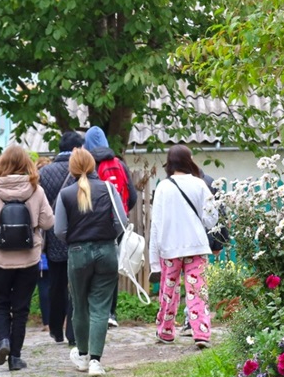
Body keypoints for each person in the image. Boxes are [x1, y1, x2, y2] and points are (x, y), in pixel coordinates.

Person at [0, 144, 55, 371]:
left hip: (0, 258)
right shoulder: (36, 190)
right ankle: (15, 357)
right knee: (21, 308)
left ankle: (3, 340)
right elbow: (49, 222)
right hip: (29, 257)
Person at [54, 148, 127, 377]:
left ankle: (83, 355)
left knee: (79, 304)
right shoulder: (108, 188)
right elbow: (121, 221)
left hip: (77, 253)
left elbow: (59, 230)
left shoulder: (65, 194)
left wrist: (76, 241)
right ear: (93, 166)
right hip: (106, 251)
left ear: (72, 168)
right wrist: (107, 238)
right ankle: (96, 361)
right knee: (100, 306)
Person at [148, 144, 218, 348]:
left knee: (168, 293)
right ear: (189, 160)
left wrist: (154, 261)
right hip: (196, 246)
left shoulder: (163, 187)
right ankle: (201, 333)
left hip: (170, 248)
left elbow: (156, 225)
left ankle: (166, 331)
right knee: (198, 291)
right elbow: (212, 219)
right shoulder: (200, 185)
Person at [84, 126, 137, 327]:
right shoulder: (119, 164)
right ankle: (111, 313)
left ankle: (93, 311)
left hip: (92, 225)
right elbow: (132, 196)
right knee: (111, 267)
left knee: (90, 267)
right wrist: (121, 213)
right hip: (116, 225)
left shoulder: (88, 165)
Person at [40, 131, 85, 345]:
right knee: (77, 284)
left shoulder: (45, 172)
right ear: (78, 149)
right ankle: (73, 331)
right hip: (77, 234)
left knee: (56, 285)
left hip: (53, 235)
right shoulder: (80, 171)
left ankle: (56, 328)